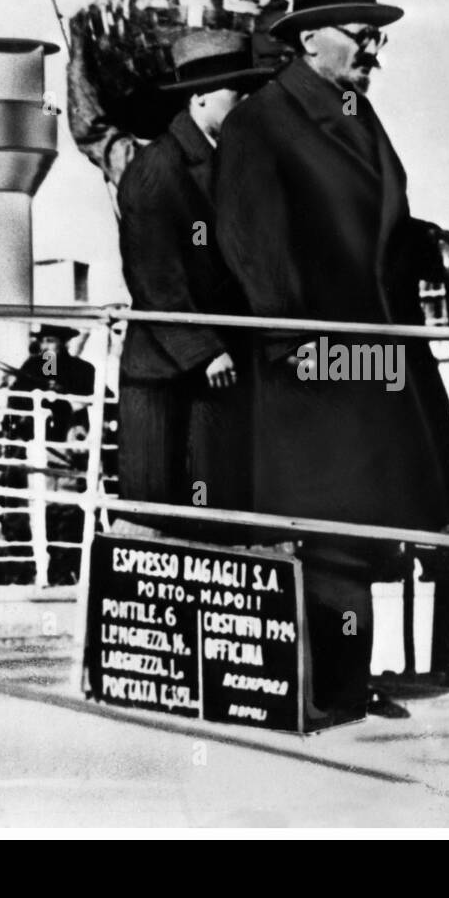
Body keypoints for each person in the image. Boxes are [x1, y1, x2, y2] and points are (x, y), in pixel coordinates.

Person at [216, 0, 449, 722]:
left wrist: (423, 242)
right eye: (362, 35)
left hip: (375, 352)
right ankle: (326, 688)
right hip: (320, 362)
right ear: (308, 39)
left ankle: (348, 682)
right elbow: (250, 241)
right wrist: (298, 346)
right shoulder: (263, 124)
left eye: (377, 36)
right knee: (328, 527)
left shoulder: (351, 109)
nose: (374, 49)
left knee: (363, 522)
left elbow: (362, 220)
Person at [117, 30, 272, 537]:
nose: (249, 103)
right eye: (239, 91)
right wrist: (203, 349)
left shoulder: (240, 162)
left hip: (223, 368)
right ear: (199, 96)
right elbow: (153, 276)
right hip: (169, 374)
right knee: (156, 521)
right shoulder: (154, 171)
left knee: (219, 516)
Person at [6, 324, 97, 444]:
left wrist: (60, 390)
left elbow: (84, 399)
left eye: (50, 341)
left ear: (64, 342)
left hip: (68, 429)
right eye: (42, 341)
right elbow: (16, 395)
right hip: (32, 428)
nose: (44, 346)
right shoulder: (32, 365)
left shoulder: (83, 368)